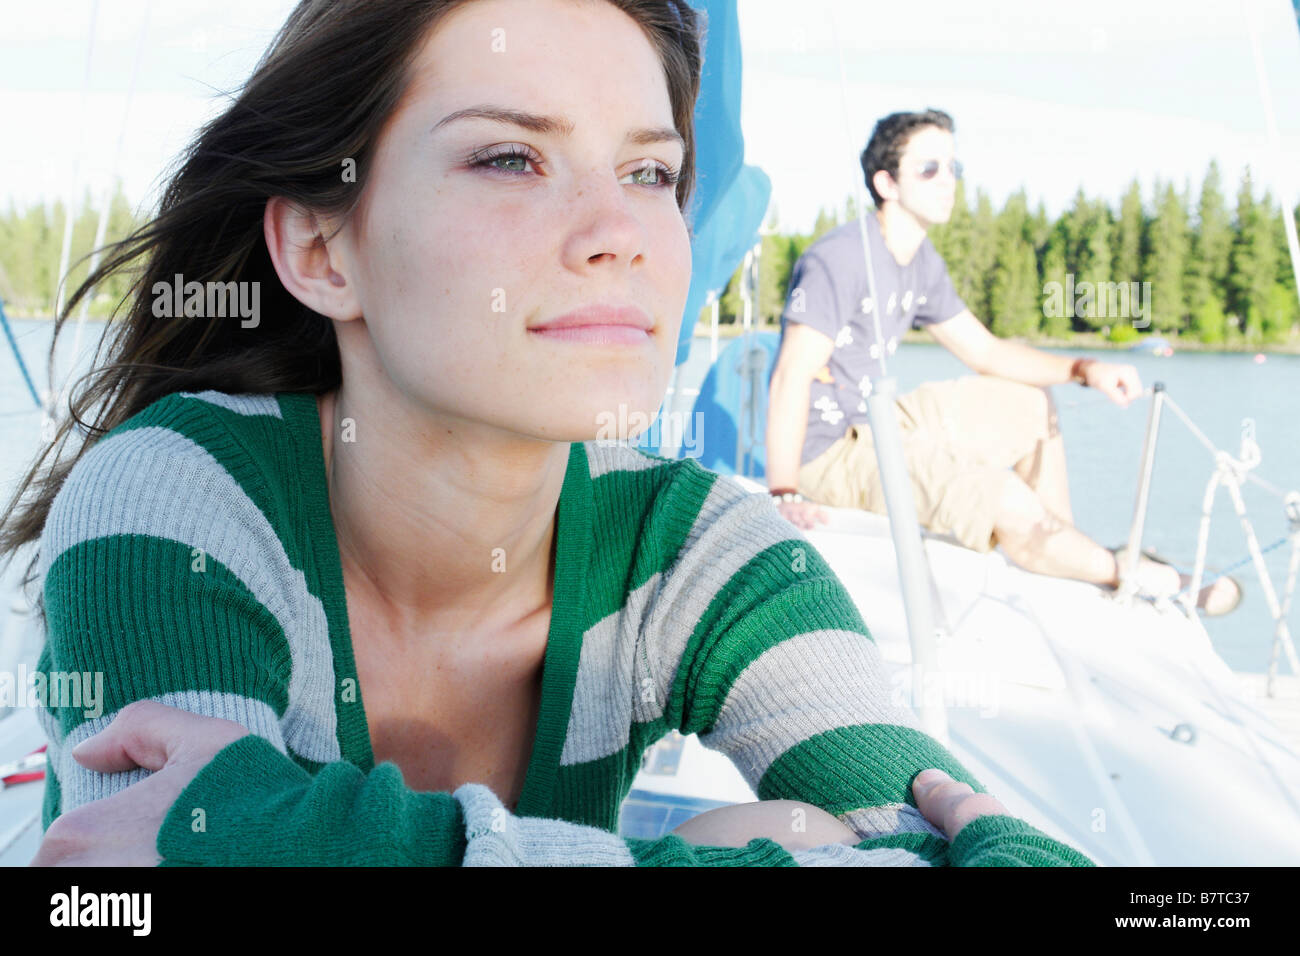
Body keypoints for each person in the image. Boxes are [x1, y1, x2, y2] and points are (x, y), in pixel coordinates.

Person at [3, 0, 1093, 867]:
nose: (619, 232)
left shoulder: (698, 549)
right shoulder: (176, 495)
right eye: (510, 159)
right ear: (324, 252)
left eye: (649, 172)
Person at [765, 109, 1240, 615]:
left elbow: (985, 351)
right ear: (887, 183)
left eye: (953, 168)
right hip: (830, 454)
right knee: (1004, 495)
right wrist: (784, 491)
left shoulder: (919, 260)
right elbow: (791, 374)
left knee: (1031, 403)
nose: (948, 181)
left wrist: (1083, 369)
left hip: (881, 421)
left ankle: (1066, 549)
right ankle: (1145, 576)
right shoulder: (839, 257)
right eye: (929, 169)